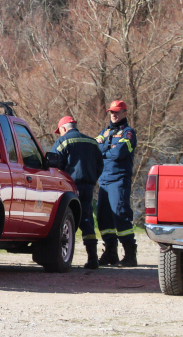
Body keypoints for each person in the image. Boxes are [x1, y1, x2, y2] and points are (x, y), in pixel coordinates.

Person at [51, 116, 104, 269]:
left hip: (69, 188)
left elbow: (54, 165)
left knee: (66, 220)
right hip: (88, 186)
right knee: (87, 220)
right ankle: (93, 258)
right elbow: (100, 165)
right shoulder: (92, 142)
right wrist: (92, 179)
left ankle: (63, 257)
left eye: (60, 131)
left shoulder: (62, 142)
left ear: (64, 129)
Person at [95, 100, 138, 267]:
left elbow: (119, 153)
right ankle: (110, 252)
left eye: (118, 112)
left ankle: (129, 254)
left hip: (119, 180)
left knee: (120, 214)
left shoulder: (129, 133)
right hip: (104, 180)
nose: (114, 115)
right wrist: (108, 148)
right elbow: (94, 147)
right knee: (103, 217)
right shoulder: (105, 131)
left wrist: (103, 149)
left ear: (125, 113)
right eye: (112, 112)